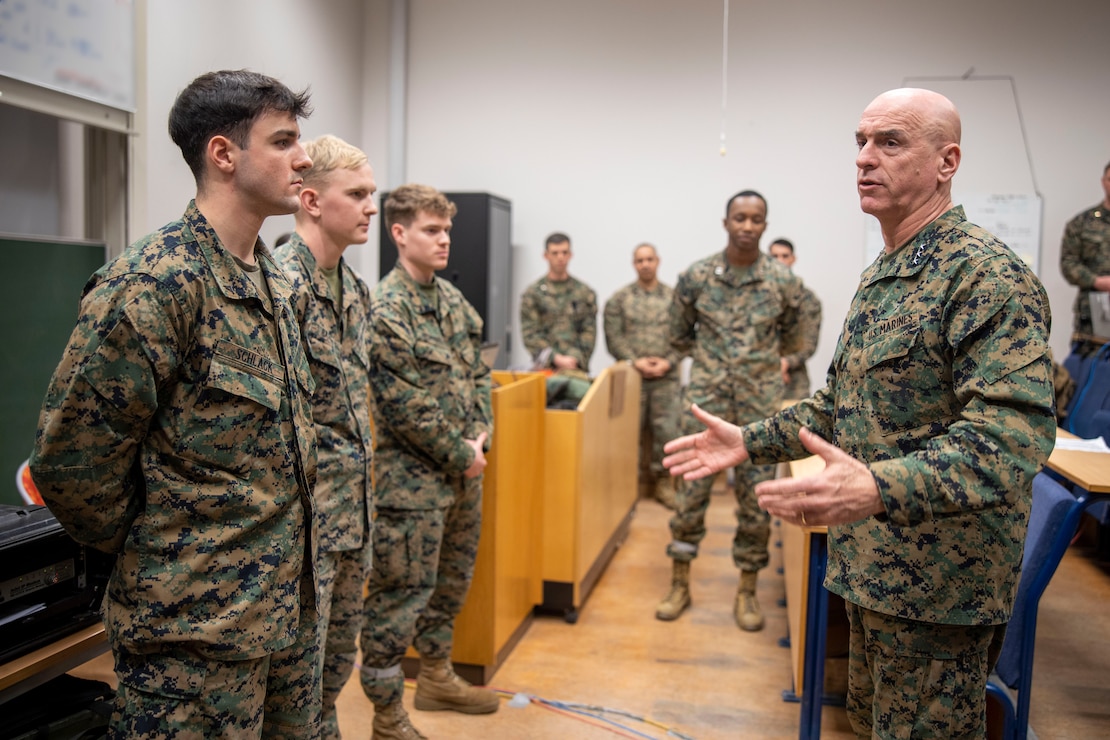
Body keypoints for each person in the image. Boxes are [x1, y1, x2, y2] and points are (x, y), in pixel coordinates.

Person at [663, 88, 1056, 738]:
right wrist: (749, 440)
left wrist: (877, 484)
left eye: (890, 142)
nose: (865, 159)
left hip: (937, 596)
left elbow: (1010, 441)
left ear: (946, 162)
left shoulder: (984, 277)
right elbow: (838, 403)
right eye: (860, 142)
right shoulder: (888, 272)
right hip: (871, 578)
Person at [29, 70, 322, 738]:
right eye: (284, 141)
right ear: (224, 154)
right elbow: (71, 466)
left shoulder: (275, 285)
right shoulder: (154, 284)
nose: (304, 158)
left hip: (284, 620)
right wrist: (165, 547)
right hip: (191, 640)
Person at [360, 184, 496, 739]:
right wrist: (460, 453)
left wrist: (483, 434)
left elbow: (480, 371)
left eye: (447, 231)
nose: (444, 241)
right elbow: (402, 404)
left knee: (450, 585)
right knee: (399, 599)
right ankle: (387, 715)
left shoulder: (452, 301)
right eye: (431, 230)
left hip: (465, 473)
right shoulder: (386, 308)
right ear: (399, 233)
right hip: (411, 488)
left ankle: (437, 676)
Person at [657, 190, 811, 631]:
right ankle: (679, 582)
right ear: (725, 222)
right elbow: (678, 334)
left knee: (755, 499)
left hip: (758, 408)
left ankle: (747, 589)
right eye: (739, 218)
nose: (747, 226)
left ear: (765, 225)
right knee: (690, 492)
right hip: (706, 404)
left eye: (756, 219)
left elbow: (796, 340)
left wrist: (757, 367)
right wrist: (713, 365)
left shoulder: (784, 283)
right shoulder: (696, 277)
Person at [273, 134, 376, 740]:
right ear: (310, 200)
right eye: (357, 194)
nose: (370, 207)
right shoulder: (281, 287)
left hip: (352, 519)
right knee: (295, 688)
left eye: (373, 195)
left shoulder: (357, 292)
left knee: (333, 673)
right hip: (305, 532)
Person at [603, 242, 681, 508]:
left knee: (667, 433)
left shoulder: (675, 299)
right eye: (639, 260)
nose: (645, 264)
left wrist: (667, 362)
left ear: (657, 261)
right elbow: (614, 337)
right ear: (633, 264)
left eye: (649, 259)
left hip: (666, 378)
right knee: (628, 433)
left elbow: (685, 336)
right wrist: (635, 361)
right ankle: (628, 486)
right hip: (633, 377)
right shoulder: (620, 299)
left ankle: (663, 484)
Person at [519, 232, 597, 371]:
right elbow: (530, 334)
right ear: (546, 255)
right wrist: (554, 358)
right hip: (545, 368)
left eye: (564, 252)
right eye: (555, 253)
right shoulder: (533, 293)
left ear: (570, 255)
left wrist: (575, 358)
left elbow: (589, 331)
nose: (560, 257)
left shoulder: (584, 293)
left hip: (576, 367)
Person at [1060, 160, 1110, 358]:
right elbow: (1068, 263)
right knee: (1092, 375)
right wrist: (1097, 282)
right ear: (1103, 182)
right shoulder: (1082, 223)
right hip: (1093, 316)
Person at [768, 238, 823, 399]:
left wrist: (785, 363)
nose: (780, 261)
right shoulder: (754, 296)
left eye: (785, 256)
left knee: (793, 423)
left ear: (793, 259)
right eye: (774, 257)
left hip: (793, 382)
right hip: (756, 382)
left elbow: (809, 344)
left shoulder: (807, 299)